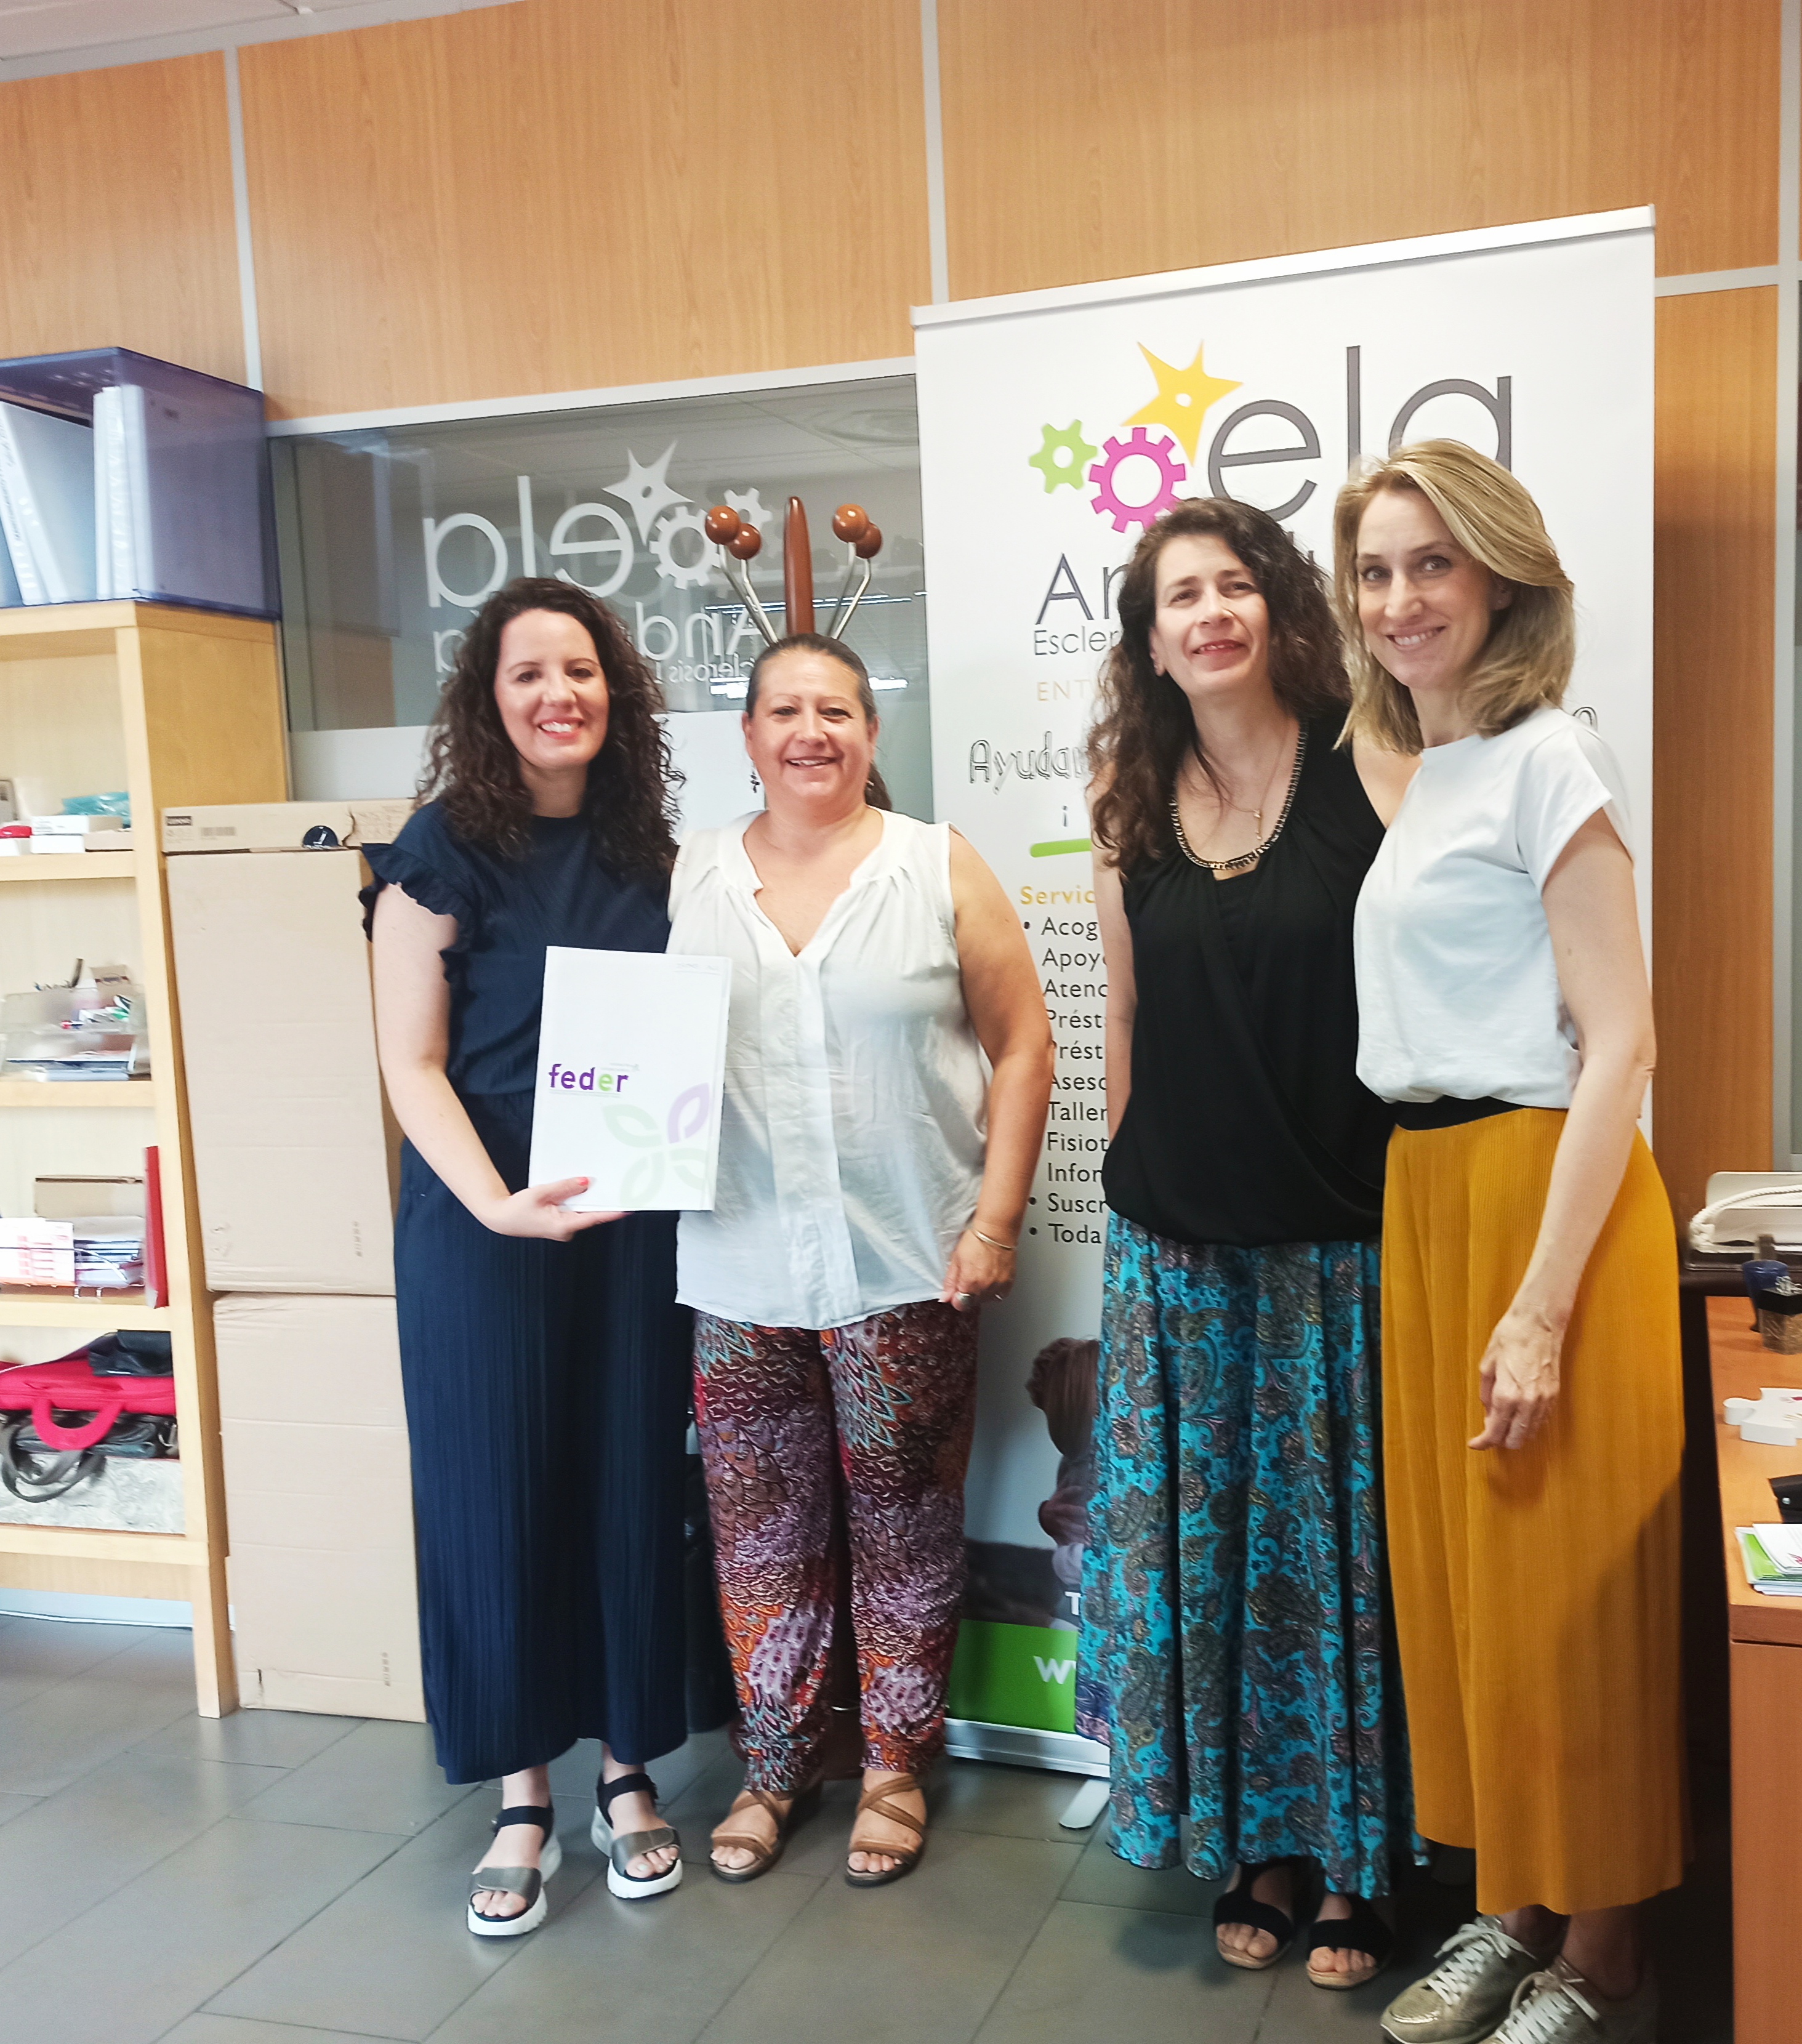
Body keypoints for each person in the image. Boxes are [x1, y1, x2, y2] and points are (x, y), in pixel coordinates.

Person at [1341, 442, 1681, 2044]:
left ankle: (1604, 1959)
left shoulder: (1557, 753)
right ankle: (1514, 1911)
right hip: (1432, 1195)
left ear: (1500, 581)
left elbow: (1621, 1044)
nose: (1401, 599)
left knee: (1567, 1598)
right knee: (1475, 1587)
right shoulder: (1426, 766)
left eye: (1432, 565)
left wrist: (1542, 1310)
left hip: (1548, 1197)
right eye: (1377, 570)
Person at [1076, 497, 1418, 1989]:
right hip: (1177, 1259)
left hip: (1337, 1246)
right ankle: (1254, 1846)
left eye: (1231, 587)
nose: (1208, 615)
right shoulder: (1128, 798)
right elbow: (1130, 1020)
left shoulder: (1374, 767)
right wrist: (1132, 1186)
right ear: (1149, 640)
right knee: (1208, 1578)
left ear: (1277, 606)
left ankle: (1353, 1860)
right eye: (1177, 598)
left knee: (1334, 1572)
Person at [669, 632, 1054, 1888]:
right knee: (760, 1537)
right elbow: (638, 1059)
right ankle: (775, 1763)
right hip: (739, 1270)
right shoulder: (690, 879)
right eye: (784, 710)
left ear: (871, 733)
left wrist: (993, 1219)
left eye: (836, 708)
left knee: (907, 1525)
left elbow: (1024, 1043)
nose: (810, 732)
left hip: (909, 1263)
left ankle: (894, 1764)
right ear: (748, 735)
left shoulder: (935, 865)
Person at [366, 578, 693, 1935]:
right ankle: (521, 1794)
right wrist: (499, 1202)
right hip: (480, 1225)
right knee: (493, 1498)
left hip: (626, 1223)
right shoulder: (439, 849)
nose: (559, 694)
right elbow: (411, 1063)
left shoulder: (653, 848)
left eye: (581, 670)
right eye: (528, 675)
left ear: (613, 691)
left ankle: (627, 1774)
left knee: (625, 1483)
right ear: (487, 700)